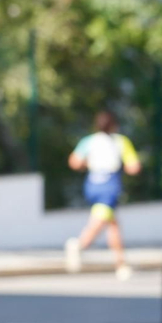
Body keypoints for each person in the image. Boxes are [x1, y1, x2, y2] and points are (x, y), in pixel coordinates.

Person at [65, 110, 142, 279]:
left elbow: (74, 162)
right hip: (109, 184)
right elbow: (134, 167)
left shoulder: (89, 141)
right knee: (101, 220)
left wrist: (88, 163)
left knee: (113, 224)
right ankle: (79, 245)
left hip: (92, 182)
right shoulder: (120, 141)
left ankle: (120, 263)